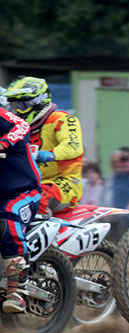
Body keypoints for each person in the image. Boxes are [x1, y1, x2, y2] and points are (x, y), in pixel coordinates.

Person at [3, 77, 84, 215]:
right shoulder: (18, 130)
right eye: (14, 106)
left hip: (64, 183)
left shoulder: (62, 119)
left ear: (39, 101)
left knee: (34, 201)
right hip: (26, 184)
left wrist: (49, 154)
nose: (16, 112)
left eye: (22, 106)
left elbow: (73, 146)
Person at [0, 107, 42, 313]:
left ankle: (17, 290)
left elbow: (22, 125)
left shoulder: (3, 117)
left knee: (9, 216)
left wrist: (3, 142)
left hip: (23, 190)